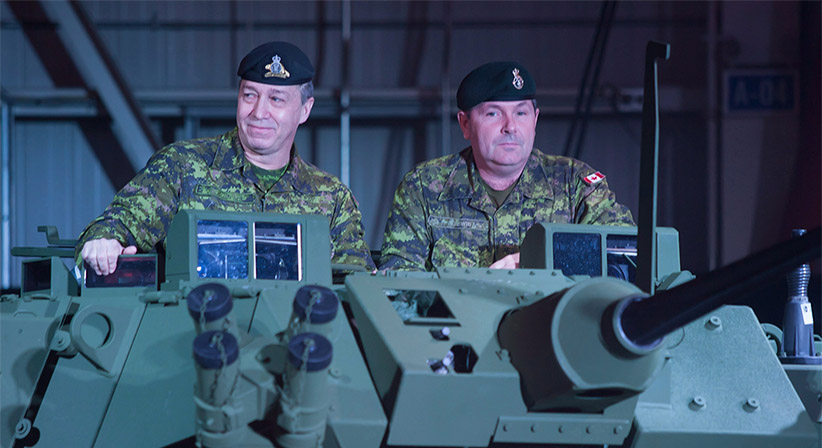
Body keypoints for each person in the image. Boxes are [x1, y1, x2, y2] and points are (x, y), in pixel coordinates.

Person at [77, 41, 374, 276]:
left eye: (276, 99)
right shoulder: (183, 167)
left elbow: (355, 282)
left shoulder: (331, 197)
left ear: (305, 110)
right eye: (249, 95)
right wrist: (105, 243)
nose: (259, 112)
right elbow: (114, 224)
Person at [380, 61, 634, 272]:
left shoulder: (576, 185)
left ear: (535, 120)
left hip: (552, 330)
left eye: (521, 113)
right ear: (465, 124)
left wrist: (540, 263)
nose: (510, 127)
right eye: (494, 113)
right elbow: (398, 284)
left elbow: (624, 258)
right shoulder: (424, 187)